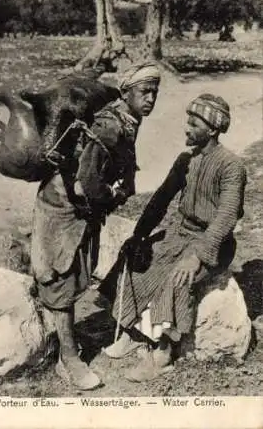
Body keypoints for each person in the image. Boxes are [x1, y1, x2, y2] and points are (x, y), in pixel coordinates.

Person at [30, 64, 161, 390]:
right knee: (64, 276)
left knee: (77, 276)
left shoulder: (127, 121)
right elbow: (86, 182)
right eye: (145, 92)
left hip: (81, 209)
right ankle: (68, 358)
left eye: (155, 92)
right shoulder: (108, 127)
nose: (151, 99)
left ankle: (64, 337)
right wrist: (112, 195)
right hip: (63, 208)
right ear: (126, 93)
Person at [101, 93, 247, 382]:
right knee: (138, 262)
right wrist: (139, 235)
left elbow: (227, 216)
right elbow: (161, 199)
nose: (186, 128)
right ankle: (134, 332)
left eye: (194, 123)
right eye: (187, 121)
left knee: (177, 279)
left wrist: (197, 257)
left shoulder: (232, 166)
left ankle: (163, 354)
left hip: (213, 243)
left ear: (213, 130)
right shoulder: (186, 160)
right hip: (180, 234)